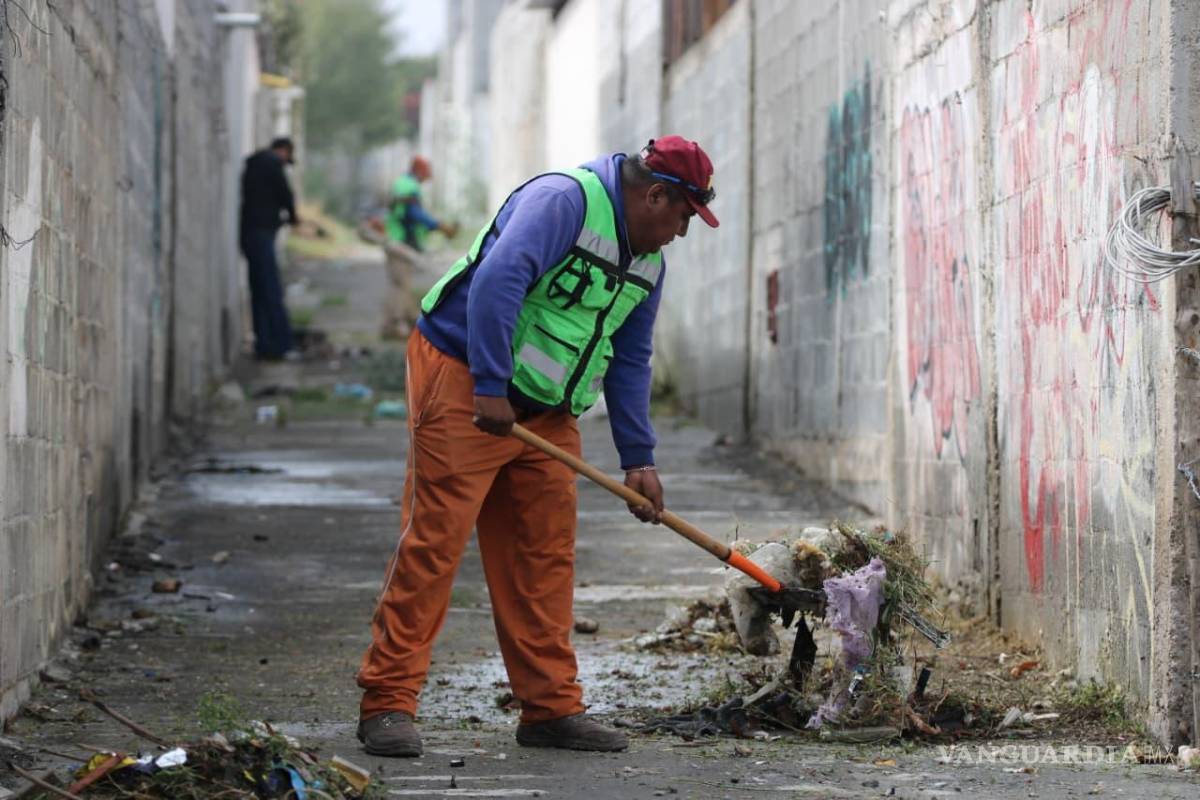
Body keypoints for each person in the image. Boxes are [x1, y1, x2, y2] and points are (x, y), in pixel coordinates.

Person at [356, 136, 719, 757]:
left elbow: (631, 359)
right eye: (685, 215)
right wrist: (491, 384)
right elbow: (498, 280)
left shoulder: (649, 263)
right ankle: (387, 702)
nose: (684, 231)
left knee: (542, 553)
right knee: (435, 542)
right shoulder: (562, 202)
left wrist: (640, 459)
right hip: (466, 377)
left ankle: (550, 709)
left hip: (548, 411)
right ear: (655, 194)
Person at [376, 156, 458, 338]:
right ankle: (394, 325)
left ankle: (400, 322)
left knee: (399, 283)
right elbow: (413, 214)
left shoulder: (403, 184)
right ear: (420, 170)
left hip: (397, 239)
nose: (429, 176)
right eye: (428, 171)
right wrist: (439, 226)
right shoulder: (408, 187)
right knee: (400, 285)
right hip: (399, 242)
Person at [239, 137, 299, 360]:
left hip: (248, 236)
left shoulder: (252, 165)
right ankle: (283, 345)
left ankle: (263, 345)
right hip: (263, 235)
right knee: (272, 291)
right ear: (282, 150)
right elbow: (286, 196)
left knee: (258, 291)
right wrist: (293, 218)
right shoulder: (272, 164)